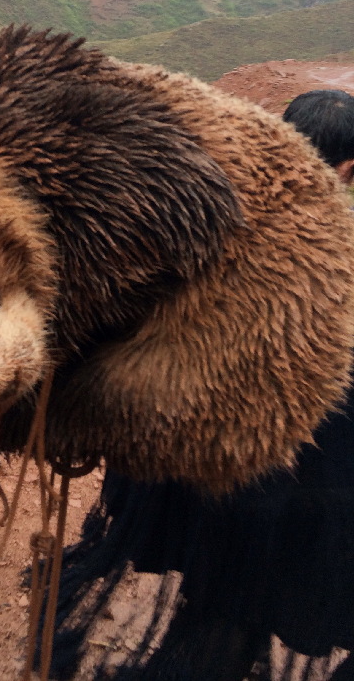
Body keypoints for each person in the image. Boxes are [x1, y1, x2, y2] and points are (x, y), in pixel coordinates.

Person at [50, 90, 354, 681]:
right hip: (295, 489)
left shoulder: (206, 220)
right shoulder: (337, 260)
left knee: (220, 605)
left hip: (212, 480)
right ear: (346, 170)